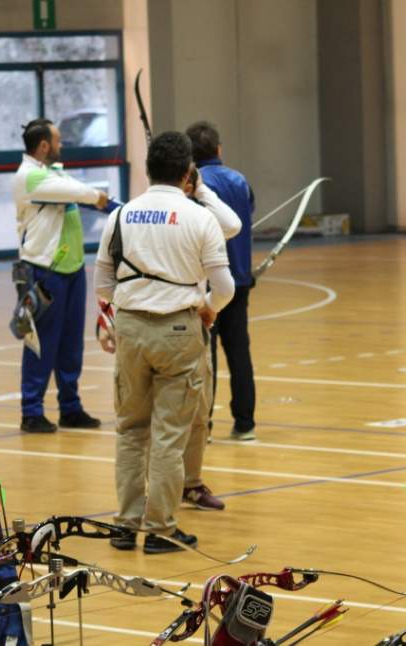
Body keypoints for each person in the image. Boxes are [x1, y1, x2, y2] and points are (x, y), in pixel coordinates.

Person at [94, 131, 234, 553]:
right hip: (179, 330)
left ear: (147, 169)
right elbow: (225, 286)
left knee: (131, 431)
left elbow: (103, 282)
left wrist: (121, 316)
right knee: (170, 434)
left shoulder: (121, 216)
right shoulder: (198, 217)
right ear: (189, 173)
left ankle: (124, 524)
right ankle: (159, 530)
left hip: (131, 331)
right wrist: (209, 306)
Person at [13, 118, 109, 433]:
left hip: (71, 269)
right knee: (41, 343)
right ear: (44, 146)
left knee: (70, 345)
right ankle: (32, 411)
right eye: (57, 140)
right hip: (44, 271)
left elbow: (74, 191)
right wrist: (97, 196)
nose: (61, 144)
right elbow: (76, 192)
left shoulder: (53, 171)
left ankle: (70, 407)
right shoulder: (30, 176)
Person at [186, 121, 257, 441]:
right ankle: (245, 424)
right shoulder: (239, 180)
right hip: (239, 280)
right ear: (218, 150)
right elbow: (247, 214)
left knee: (206, 356)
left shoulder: (193, 187)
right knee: (239, 352)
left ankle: (206, 426)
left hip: (209, 283)